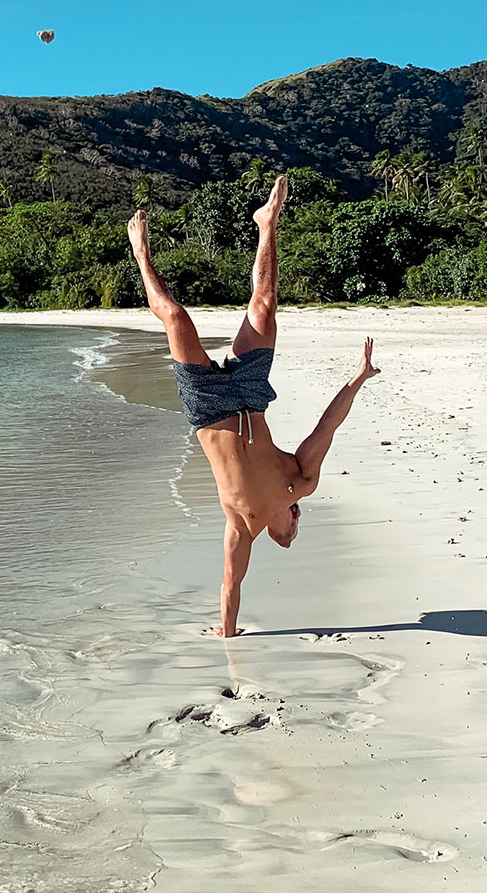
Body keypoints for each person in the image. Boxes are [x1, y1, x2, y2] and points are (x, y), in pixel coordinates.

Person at [127, 176, 380, 638]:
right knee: (264, 306)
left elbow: (230, 584)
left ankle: (141, 255)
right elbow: (327, 427)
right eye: (294, 534)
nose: (288, 541)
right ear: (295, 515)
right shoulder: (301, 482)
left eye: (288, 539)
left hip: (207, 407)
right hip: (249, 396)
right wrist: (357, 378)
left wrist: (227, 633)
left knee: (176, 317)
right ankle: (267, 222)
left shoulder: (242, 528)